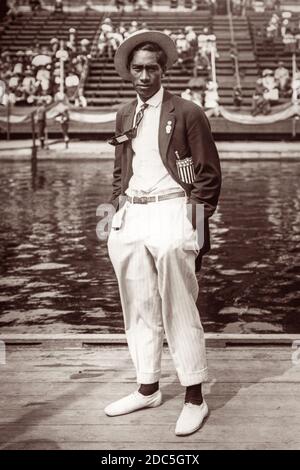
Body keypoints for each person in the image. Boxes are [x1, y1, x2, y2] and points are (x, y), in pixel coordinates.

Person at [104, 30, 221, 436]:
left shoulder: (187, 112)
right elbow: (122, 169)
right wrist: (116, 209)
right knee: (137, 305)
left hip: (174, 209)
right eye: (137, 69)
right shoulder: (124, 113)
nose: (143, 76)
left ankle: (194, 397)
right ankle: (148, 386)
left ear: (163, 70)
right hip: (132, 214)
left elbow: (207, 176)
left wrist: (196, 228)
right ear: (128, 72)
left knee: (178, 303)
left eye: (151, 68)